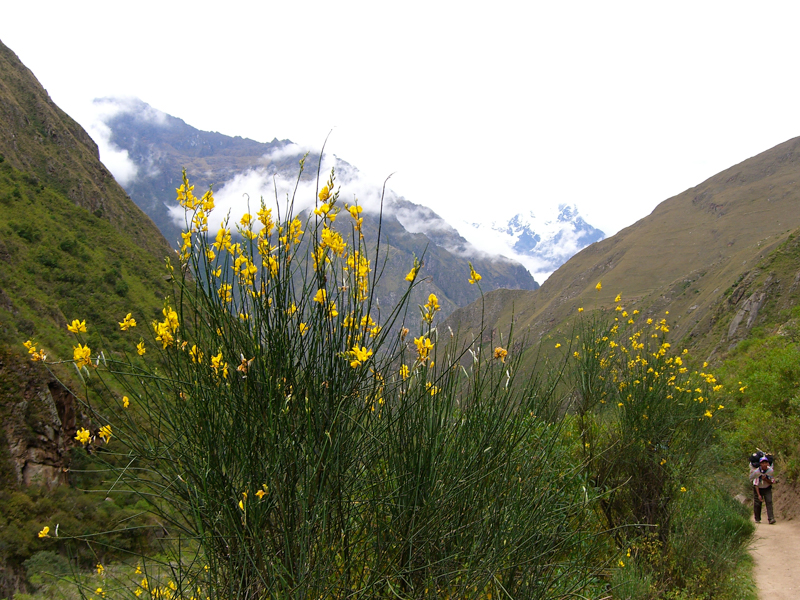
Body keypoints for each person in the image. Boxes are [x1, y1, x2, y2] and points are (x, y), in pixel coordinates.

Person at [750, 455, 775, 524]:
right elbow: (756, 484)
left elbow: (772, 482)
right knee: (758, 503)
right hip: (758, 488)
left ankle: (771, 518)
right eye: (762, 463)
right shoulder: (757, 472)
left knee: (769, 501)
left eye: (765, 463)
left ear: (767, 463)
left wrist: (766, 479)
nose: (764, 464)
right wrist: (758, 495)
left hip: (767, 488)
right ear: (760, 464)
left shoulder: (770, 471)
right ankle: (757, 518)